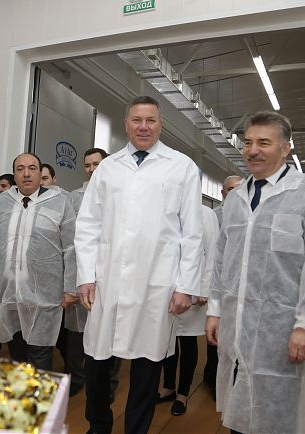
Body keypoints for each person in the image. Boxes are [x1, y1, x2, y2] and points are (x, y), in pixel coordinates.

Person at [75, 96, 204, 434]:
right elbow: (88, 225)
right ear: (126, 124)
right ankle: (98, 425)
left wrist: (186, 286)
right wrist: (85, 276)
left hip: (156, 283)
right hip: (108, 280)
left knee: (147, 366)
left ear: (161, 124)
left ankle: (136, 430)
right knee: (97, 361)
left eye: (150, 120)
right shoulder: (108, 168)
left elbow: (192, 233)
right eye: (137, 120)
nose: (143, 127)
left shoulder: (182, 167)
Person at [205, 111, 305, 434]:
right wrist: (215, 310)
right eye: (248, 142)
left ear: (285, 148)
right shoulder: (236, 199)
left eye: (264, 142)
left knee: (278, 417)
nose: (253, 150)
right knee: (238, 414)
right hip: (236, 328)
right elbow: (221, 259)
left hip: (282, 331)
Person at [0, 153, 77, 371]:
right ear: (14, 174)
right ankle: (21, 392)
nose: (26, 174)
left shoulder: (60, 202)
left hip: (44, 296)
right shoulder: (2, 203)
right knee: (17, 356)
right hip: (9, 293)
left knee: (40, 356)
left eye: (32, 168)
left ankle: (40, 394)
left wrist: (70, 287)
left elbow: (71, 247)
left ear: (40, 172)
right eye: (20, 169)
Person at [66, 147, 121, 400]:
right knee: (77, 333)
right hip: (82, 272)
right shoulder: (73, 198)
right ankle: (77, 378)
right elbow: (71, 239)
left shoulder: (119, 193)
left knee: (110, 330)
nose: (91, 170)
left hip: (111, 273)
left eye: (96, 164)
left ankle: (109, 382)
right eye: (87, 165)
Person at [157, 204, 218, 415]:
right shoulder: (166, 209)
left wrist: (205, 289)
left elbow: (212, 253)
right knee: (168, 341)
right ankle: (168, 387)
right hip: (167, 289)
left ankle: (182, 394)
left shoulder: (206, 214)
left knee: (188, 341)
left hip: (193, 290)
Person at [205, 173, 242, 396]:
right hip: (218, 282)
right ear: (222, 193)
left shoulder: (250, 214)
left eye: (239, 188)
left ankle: (235, 382)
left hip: (240, 284)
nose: (235, 193)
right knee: (215, 334)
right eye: (231, 189)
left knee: (237, 336)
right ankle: (212, 379)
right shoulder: (215, 216)